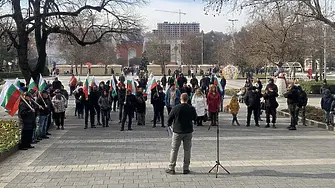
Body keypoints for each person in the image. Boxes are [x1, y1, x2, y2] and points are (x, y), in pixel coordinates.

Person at [166, 93, 197, 175]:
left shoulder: (176, 108)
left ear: (180, 99)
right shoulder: (191, 108)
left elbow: (169, 118)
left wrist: (169, 125)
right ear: (188, 99)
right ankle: (186, 168)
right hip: (188, 131)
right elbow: (195, 118)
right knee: (187, 150)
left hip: (177, 131)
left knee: (174, 149)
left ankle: (171, 167)